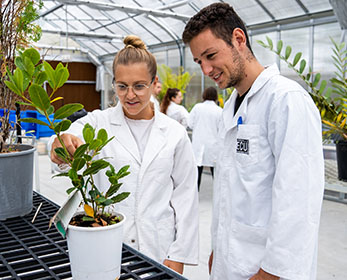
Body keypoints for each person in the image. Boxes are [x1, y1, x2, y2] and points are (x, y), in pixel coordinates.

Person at [182, 3, 324, 280]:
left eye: (210, 55)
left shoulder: (285, 100)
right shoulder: (230, 107)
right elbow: (229, 191)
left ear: (238, 39)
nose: (206, 69)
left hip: (268, 270)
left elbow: (298, 200)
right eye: (199, 61)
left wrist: (271, 273)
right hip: (231, 262)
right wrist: (217, 250)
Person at [49, 35, 199, 274]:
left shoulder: (174, 133)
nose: (130, 95)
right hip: (108, 245)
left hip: (159, 247)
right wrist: (59, 144)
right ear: (114, 84)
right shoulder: (99, 122)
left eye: (139, 86)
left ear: (153, 83)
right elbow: (68, 136)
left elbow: (186, 196)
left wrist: (180, 254)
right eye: (122, 86)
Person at [188, 86, 222, 191]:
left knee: (196, 174)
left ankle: (194, 198)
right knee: (216, 174)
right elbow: (221, 129)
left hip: (198, 144)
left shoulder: (197, 108)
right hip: (213, 146)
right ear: (216, 96)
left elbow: (190, 124)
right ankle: (218, 197)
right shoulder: (219, 111)